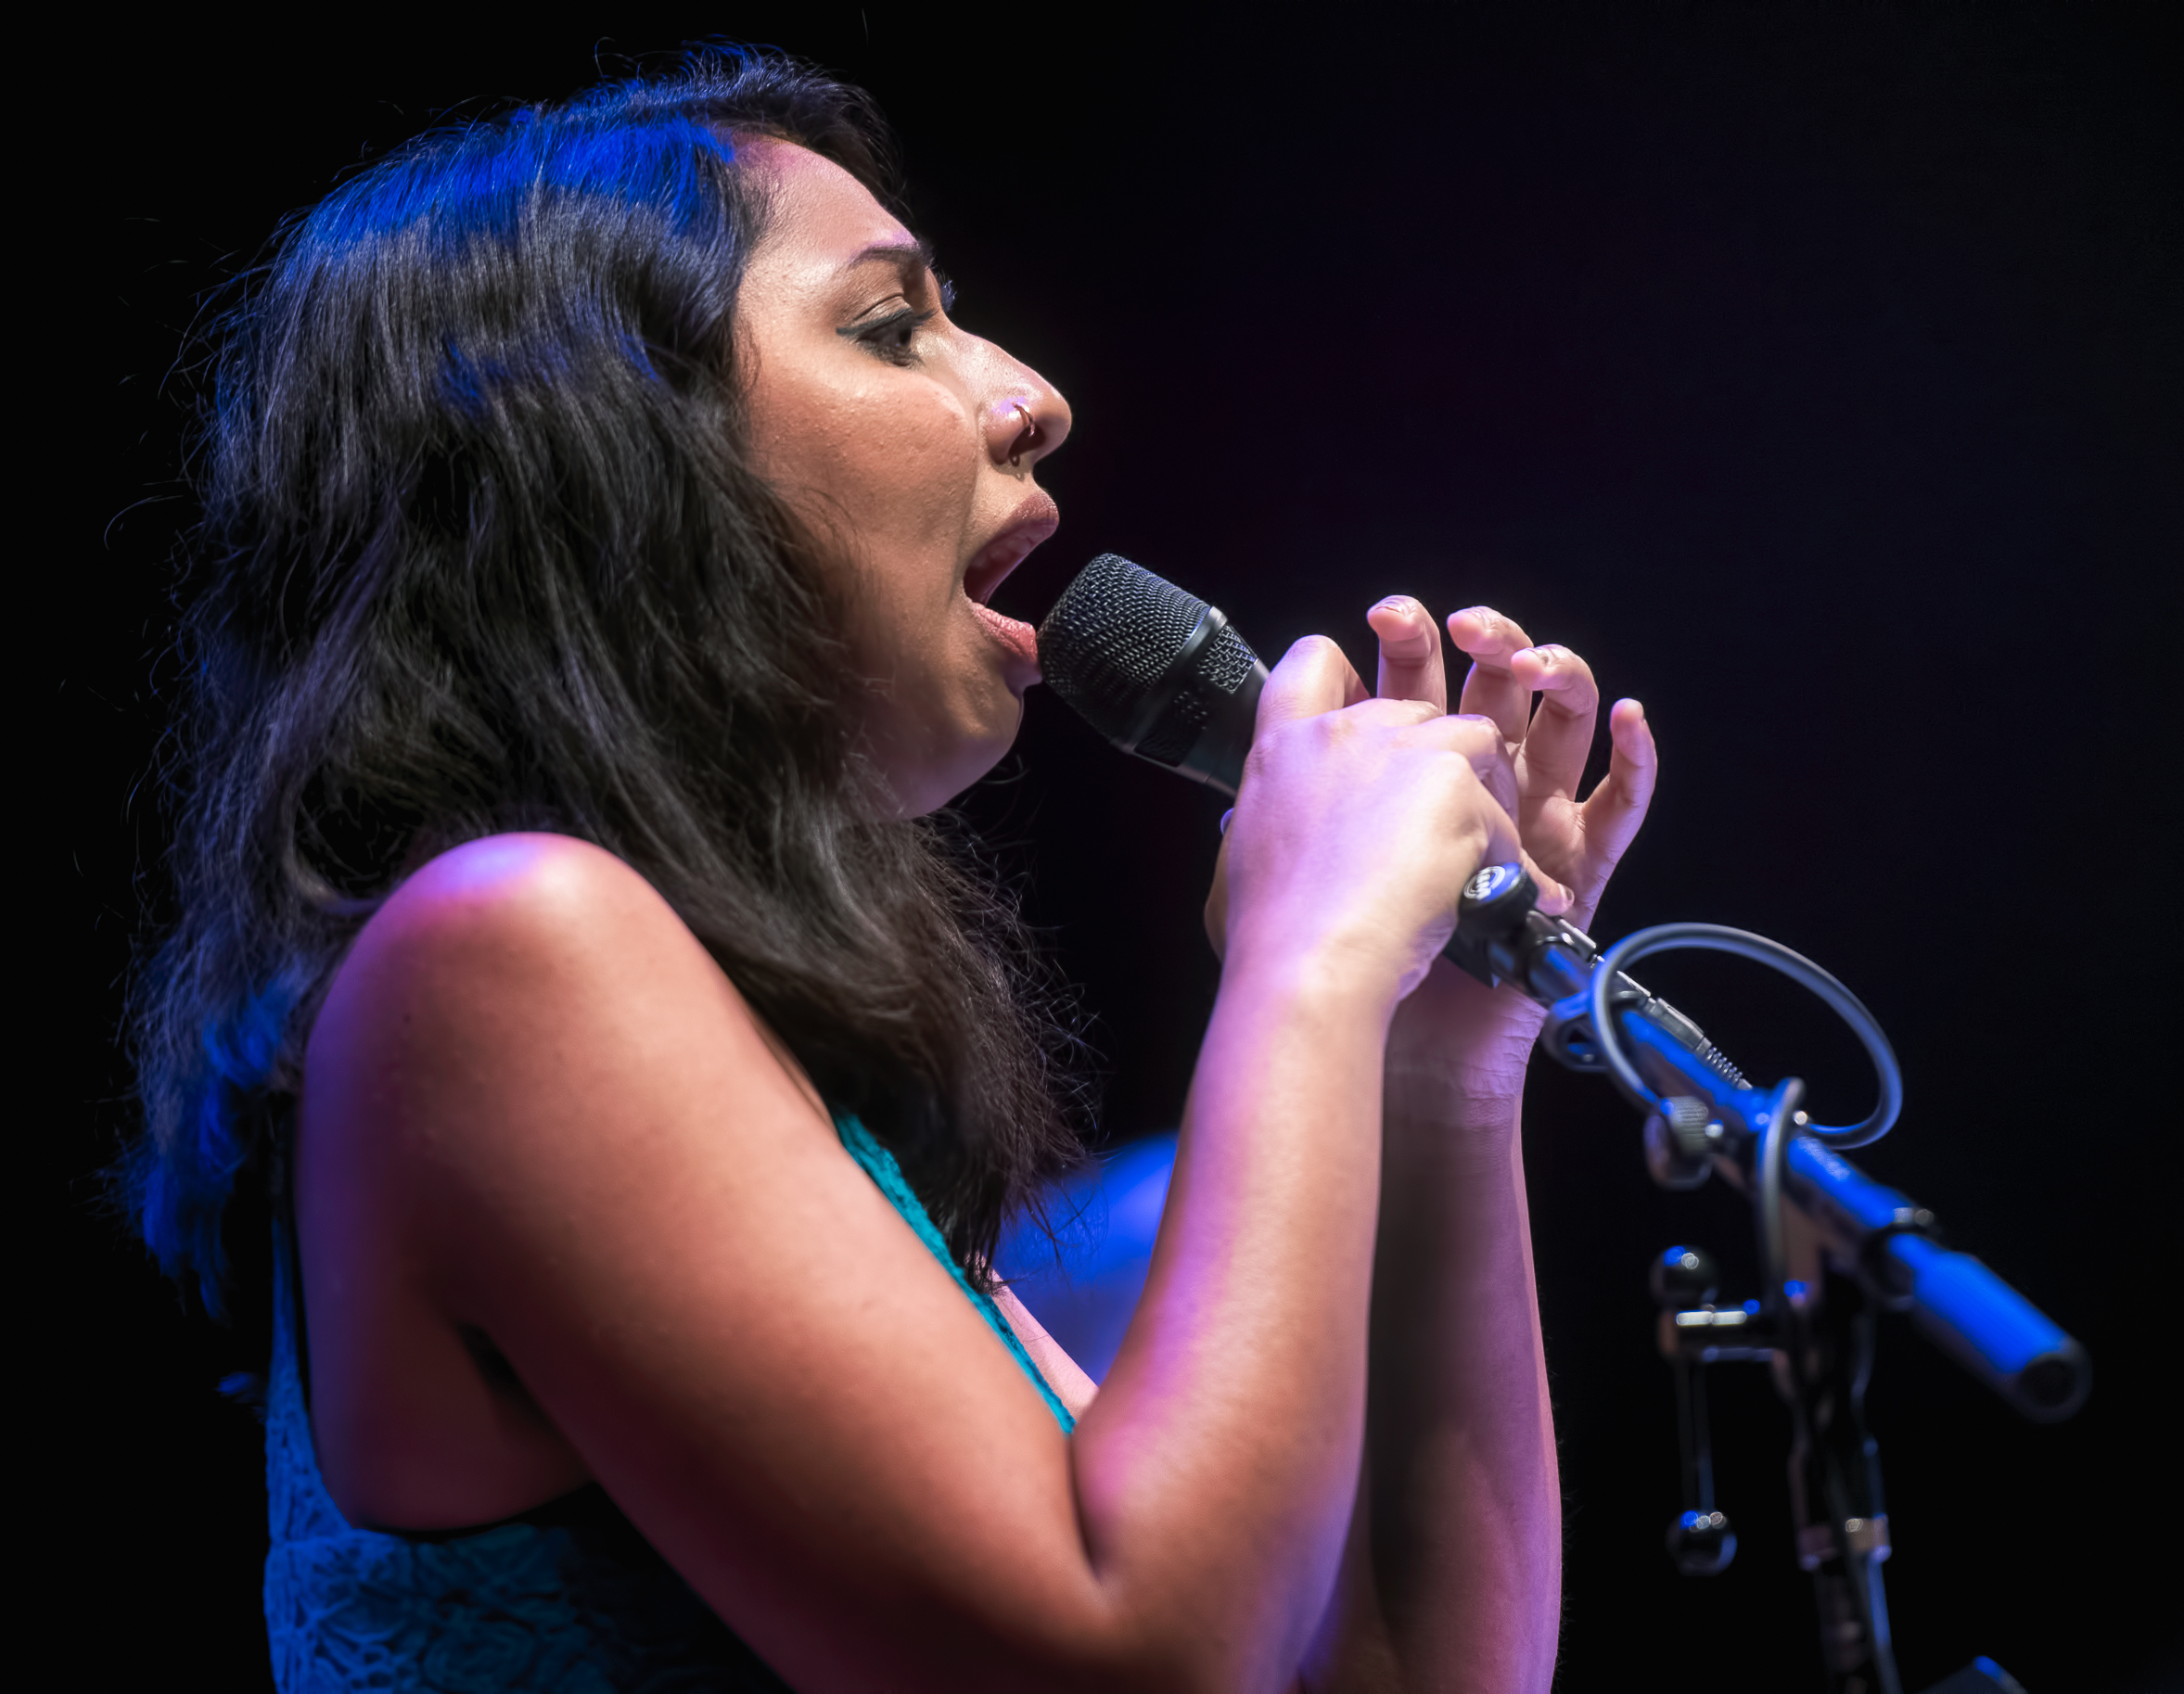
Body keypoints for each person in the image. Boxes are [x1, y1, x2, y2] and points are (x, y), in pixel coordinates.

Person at [124, 49, 1657, 1692]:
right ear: (622, 464)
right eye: (888, 324)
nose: (1027, 396)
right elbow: (1144, 1661)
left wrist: (1438, 1069)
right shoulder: (505, 948)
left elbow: (1414, 1678)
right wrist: (1311, 961)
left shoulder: (778, 1093)